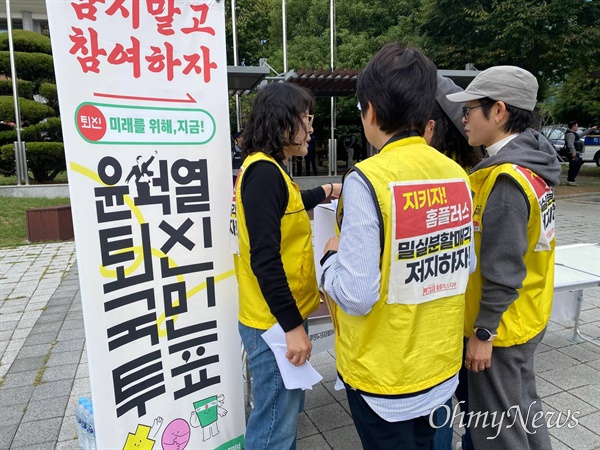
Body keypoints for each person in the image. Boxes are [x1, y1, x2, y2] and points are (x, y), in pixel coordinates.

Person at [321, 43, 473, 449]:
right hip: (440, 368)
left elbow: (356, 294)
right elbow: (464, 263)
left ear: (369, 111)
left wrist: (329, 260)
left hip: (383, 376)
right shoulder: (456, 175)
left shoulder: (367, 179)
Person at [446, 65, 561, 449]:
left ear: (498, 111)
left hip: (501, 328)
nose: (463, 118)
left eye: (470, 110)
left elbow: (503, 269)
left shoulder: (507, 181)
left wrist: (483, 333)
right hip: (526, 313)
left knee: (497, 430)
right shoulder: (533, 163)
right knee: (522, 410)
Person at [230, 82, 341, 450]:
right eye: (305, 119)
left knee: (283, 413)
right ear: (281, 125)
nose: (311, 128)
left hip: (279, 316)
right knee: (274, 421)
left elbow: (289, 204)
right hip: (275, 324)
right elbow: (265, 259)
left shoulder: (270, 171)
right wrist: (293, 328)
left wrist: (326, 191)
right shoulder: (264, 175)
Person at [564, 120, 598, 186]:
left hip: (576, 152)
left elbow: (582, 134)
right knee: (574, 166)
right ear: (573, 126)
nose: (577, 127)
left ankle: (571, 179)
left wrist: (591, 129)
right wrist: (573, 151)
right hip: (573, 152)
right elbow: (570, 144)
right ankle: (571, 180)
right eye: (576, 126)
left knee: (577, 165)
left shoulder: (574, 133)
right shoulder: (570, 134)